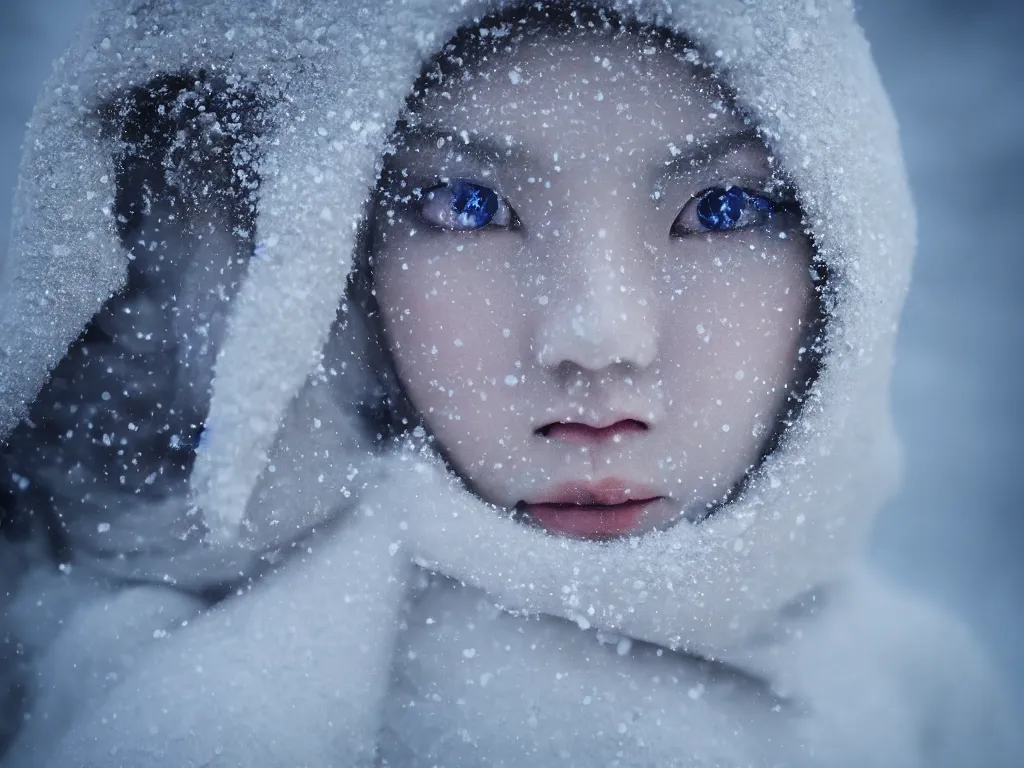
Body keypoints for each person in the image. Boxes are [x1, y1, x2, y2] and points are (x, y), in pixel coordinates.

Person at [0, 0, 1017, 766]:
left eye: (721, 209)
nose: (596, 338)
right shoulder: (147, 700)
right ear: (335, 252)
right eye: (468, 204)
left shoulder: (936, 702)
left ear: (847, 251)